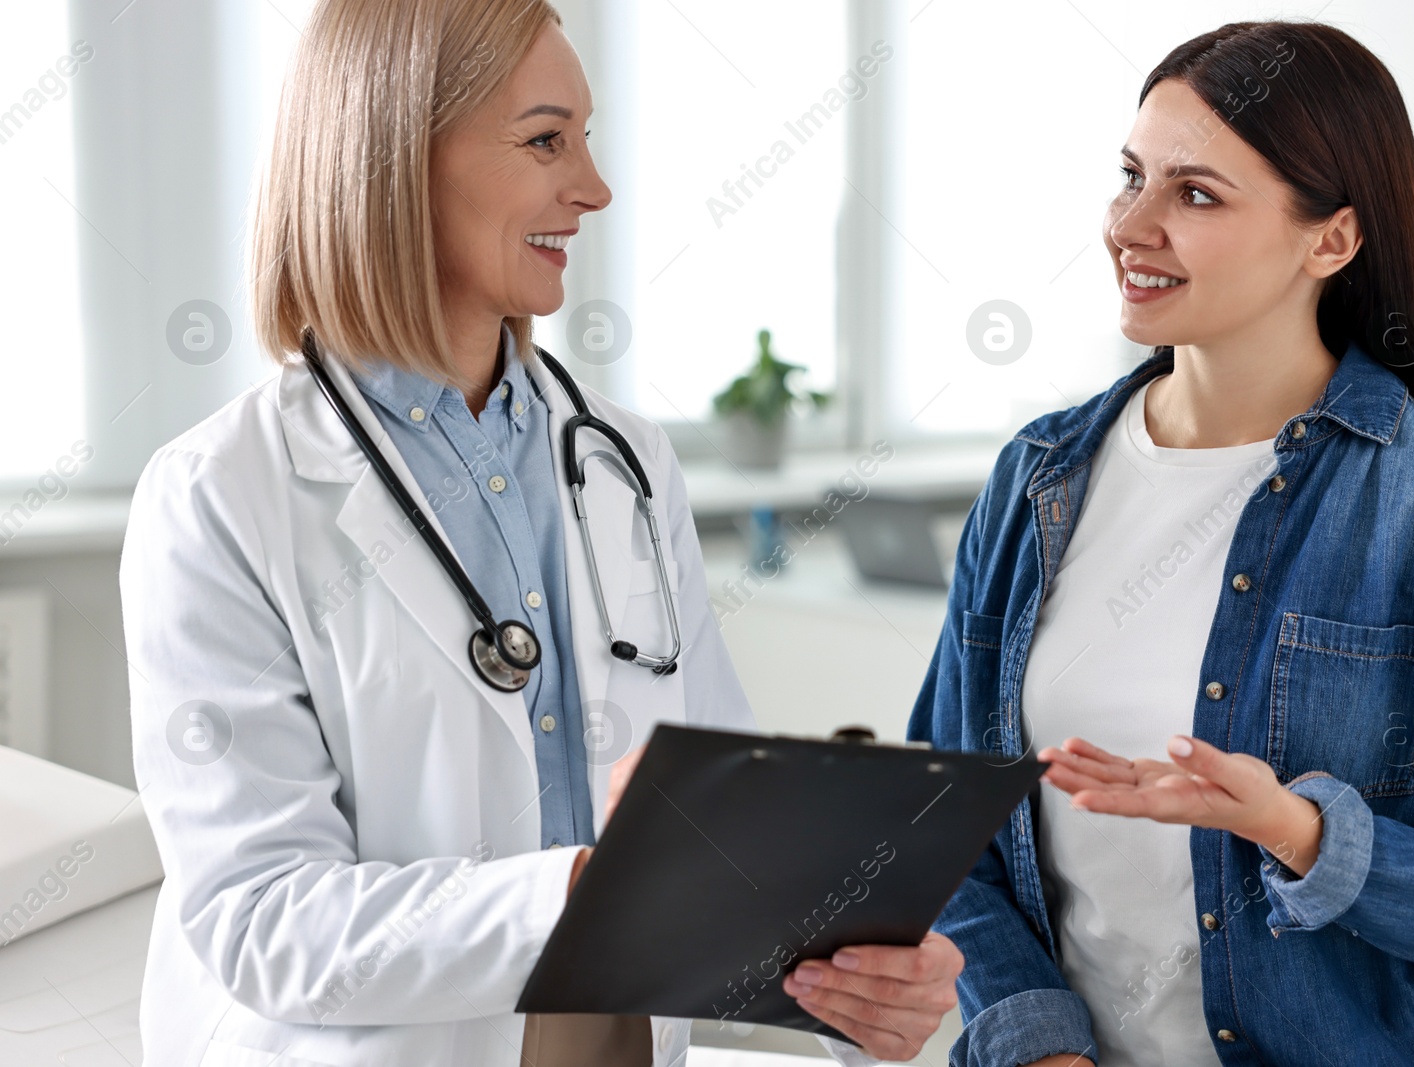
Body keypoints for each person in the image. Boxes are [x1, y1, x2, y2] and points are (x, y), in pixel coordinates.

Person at [120, 2, 959, 1064]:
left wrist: (847, 965)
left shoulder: (626, 461)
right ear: (394, 158)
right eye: (545, 139)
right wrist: (574, 887)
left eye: (588, 138)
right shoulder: (219, 493)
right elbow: (264, 919)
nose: (594, 188)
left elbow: (719, 814)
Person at [910, 20, 1414, 1067]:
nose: (1131, 224)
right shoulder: (1035, 479)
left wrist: (1298, 832)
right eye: (1129, 176)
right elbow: (942, 819)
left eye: (1196, 193)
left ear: (1331, 239)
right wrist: (1040, 1046)